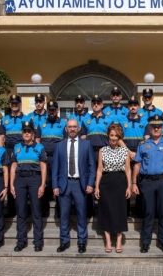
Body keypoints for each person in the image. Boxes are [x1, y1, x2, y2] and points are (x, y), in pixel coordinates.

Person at [132, 115, 163, 254]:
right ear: (149, 128)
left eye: (159, 126)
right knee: (148, 212)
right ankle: (145, 242)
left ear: (162, 128)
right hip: (147, 182)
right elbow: (137, 164)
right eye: (153, 126)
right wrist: (134, 182)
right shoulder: (143, 145)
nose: (156, 128)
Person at [52, 119, 96, 254]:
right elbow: (55, 167)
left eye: (74, 127)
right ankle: (64, 241)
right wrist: (55, 185)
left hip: (80, 184)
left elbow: (91, 166)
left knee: (81, 214)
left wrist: (90, 183)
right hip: (64, 184)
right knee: (64, 215)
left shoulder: (86, 144)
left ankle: (82, 241)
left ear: (78, 129)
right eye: (69, 127)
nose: (72, 129)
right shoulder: (59, 145)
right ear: (66, 129)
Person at [10, 121, 47, 252]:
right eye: (24, 131)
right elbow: (13, 166)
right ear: (22, 133)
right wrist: (11, 184)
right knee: (21, 212)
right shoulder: (16, 147)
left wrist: (43, 184)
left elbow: (43, 166)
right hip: (20, 180)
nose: (26, 133)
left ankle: (38, 241)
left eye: (29, 131)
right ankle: (21, 241)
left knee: (36, 212)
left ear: (33, 134)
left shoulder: (39, 147)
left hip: (34, 179)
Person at [94, 124, 131, 253]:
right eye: (111, 135)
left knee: (120, 212)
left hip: (120, 182)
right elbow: (99, 169)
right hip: (106, 182)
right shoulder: (102, 150)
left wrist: (129, 186)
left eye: (116, 135)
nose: (113, 138)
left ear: (119, 137)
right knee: (106, 212)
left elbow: (127, 170)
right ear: (108, 136)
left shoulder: (125, 151)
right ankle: (108, 242)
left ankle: (119, 242)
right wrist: (97, 186)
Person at [0, 94, 34, 218]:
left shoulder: (27, 119)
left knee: (22, 177)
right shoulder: (4, 119)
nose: (14, 105)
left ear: (20, 104)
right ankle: (11, 209)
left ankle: (24, 208)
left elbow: (31, 135)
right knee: (9, 179)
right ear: (10, 105)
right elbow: (1, 137)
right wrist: (1, 153)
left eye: (16, 103)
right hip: (8, 150)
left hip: (22, 149)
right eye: (12, 103)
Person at [80, 95, 115, 218]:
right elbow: (82, 137)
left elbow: (114, 137)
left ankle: (103, 211)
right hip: (89, 153)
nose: (96, 105)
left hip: (105, 153)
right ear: (91, 105)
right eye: (93, 103)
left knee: (103, 182)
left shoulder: (109, 120)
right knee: (90, 180)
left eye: (98, 103)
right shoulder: (85, 120)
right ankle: (90, 210)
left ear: (102, 105)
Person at [37, 101, 67, 218]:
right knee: (44, 182)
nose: (51, 111)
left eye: (54, 109)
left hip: (58, 157)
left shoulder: (63, 124)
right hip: (44, 158)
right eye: (50, 109)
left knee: (59, 181)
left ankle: (59, 209)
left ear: (57, 110)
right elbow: (38, 141)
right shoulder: (41, 124)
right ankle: (45, 208)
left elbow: (65, 142)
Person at [121, 96, 147, 217]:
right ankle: (125, 211)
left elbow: (147, 138)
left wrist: (139, 153)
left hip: (140, 154)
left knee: (140, 182)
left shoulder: (144, 121)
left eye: (135, 105)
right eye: (130, 105)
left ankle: (139, 211)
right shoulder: (122, 120)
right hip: (125, 153)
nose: (133, 107)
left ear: (138, 107)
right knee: (125, 181)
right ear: (128, 107)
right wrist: (128, 152)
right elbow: (119, 138)